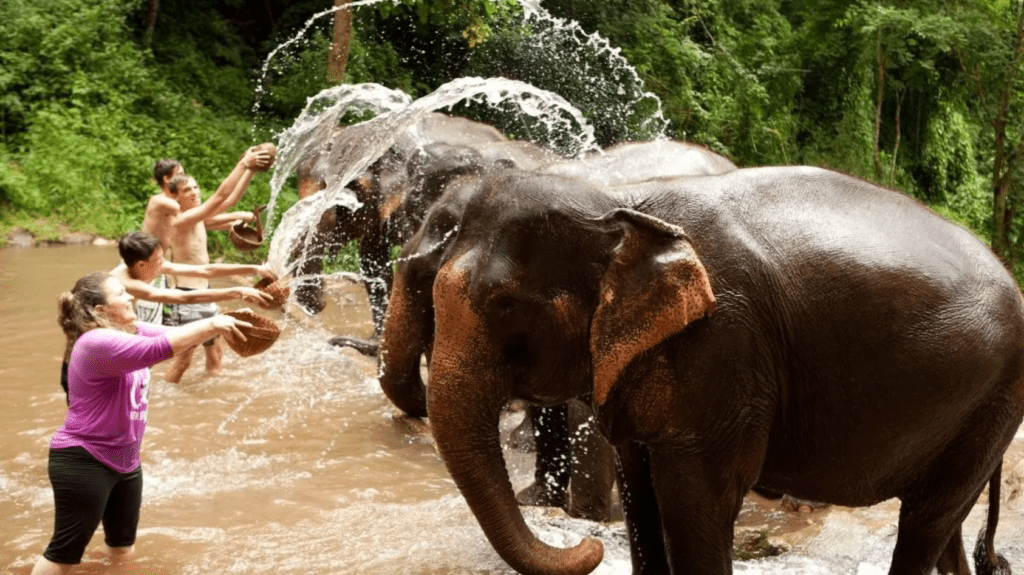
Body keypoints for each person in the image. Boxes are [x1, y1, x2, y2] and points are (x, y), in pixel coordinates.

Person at [32, 272, 252, 575]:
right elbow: (158, 350)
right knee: (65, 553)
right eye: (121, 294)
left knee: (122, 547)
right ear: (101, 311)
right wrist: (215, 323)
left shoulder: (130, 330)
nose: (130, 297)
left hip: (126, 462)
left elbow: (179, 335)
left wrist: (230, 320)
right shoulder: (96, 341)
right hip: (85, 459)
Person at [109, 231, 275, 384]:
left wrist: (255, 268)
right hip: (105, 332)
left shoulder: (142, 265)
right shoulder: (124, 282)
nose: (163, 263)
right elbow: (184, 297)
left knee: (183, 352)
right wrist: (238, 292)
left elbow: (204, 270)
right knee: (139, 372)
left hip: (122, 323)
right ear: (141, 265)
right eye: (159, 261)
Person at [162, 173, 268, 381]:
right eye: (187, 190)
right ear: (175, 198)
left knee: (216, 354)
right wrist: (247, 166)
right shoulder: (181, 220)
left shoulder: (198, 218)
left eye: (195, 187)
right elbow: (222, 198)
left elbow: (223, 208)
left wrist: (240, 215)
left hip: (206, 292)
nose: (194, 192)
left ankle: (210, 401)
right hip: (187, 297)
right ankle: (151, 400)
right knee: (183, 361)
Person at [140, 147, 269, 253]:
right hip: (141, 262)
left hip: (159, 265)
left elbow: (229, 201)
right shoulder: (161, 202)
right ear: (167, 179)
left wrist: (250, 170)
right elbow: (209, 212)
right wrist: (235, 216)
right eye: (180, 174)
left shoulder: (180, 201)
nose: (184, 178)